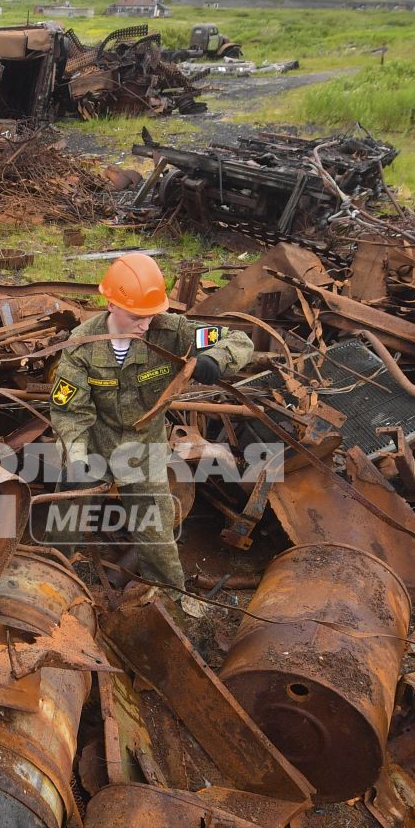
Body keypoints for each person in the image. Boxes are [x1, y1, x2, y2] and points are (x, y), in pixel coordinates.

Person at [48, 252, 254, 606]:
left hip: (143, 447)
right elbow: (69, 411)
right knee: (65, 515)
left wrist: (214, 359)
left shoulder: (172, 332)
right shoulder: (82, 345)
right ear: (111, 304)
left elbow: (238, 340)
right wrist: (76, 458)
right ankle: (53, 579)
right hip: (95, 442)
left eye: (150, 316)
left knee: (156, 529)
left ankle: (171, 599)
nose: (144, 325)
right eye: (135, 317)